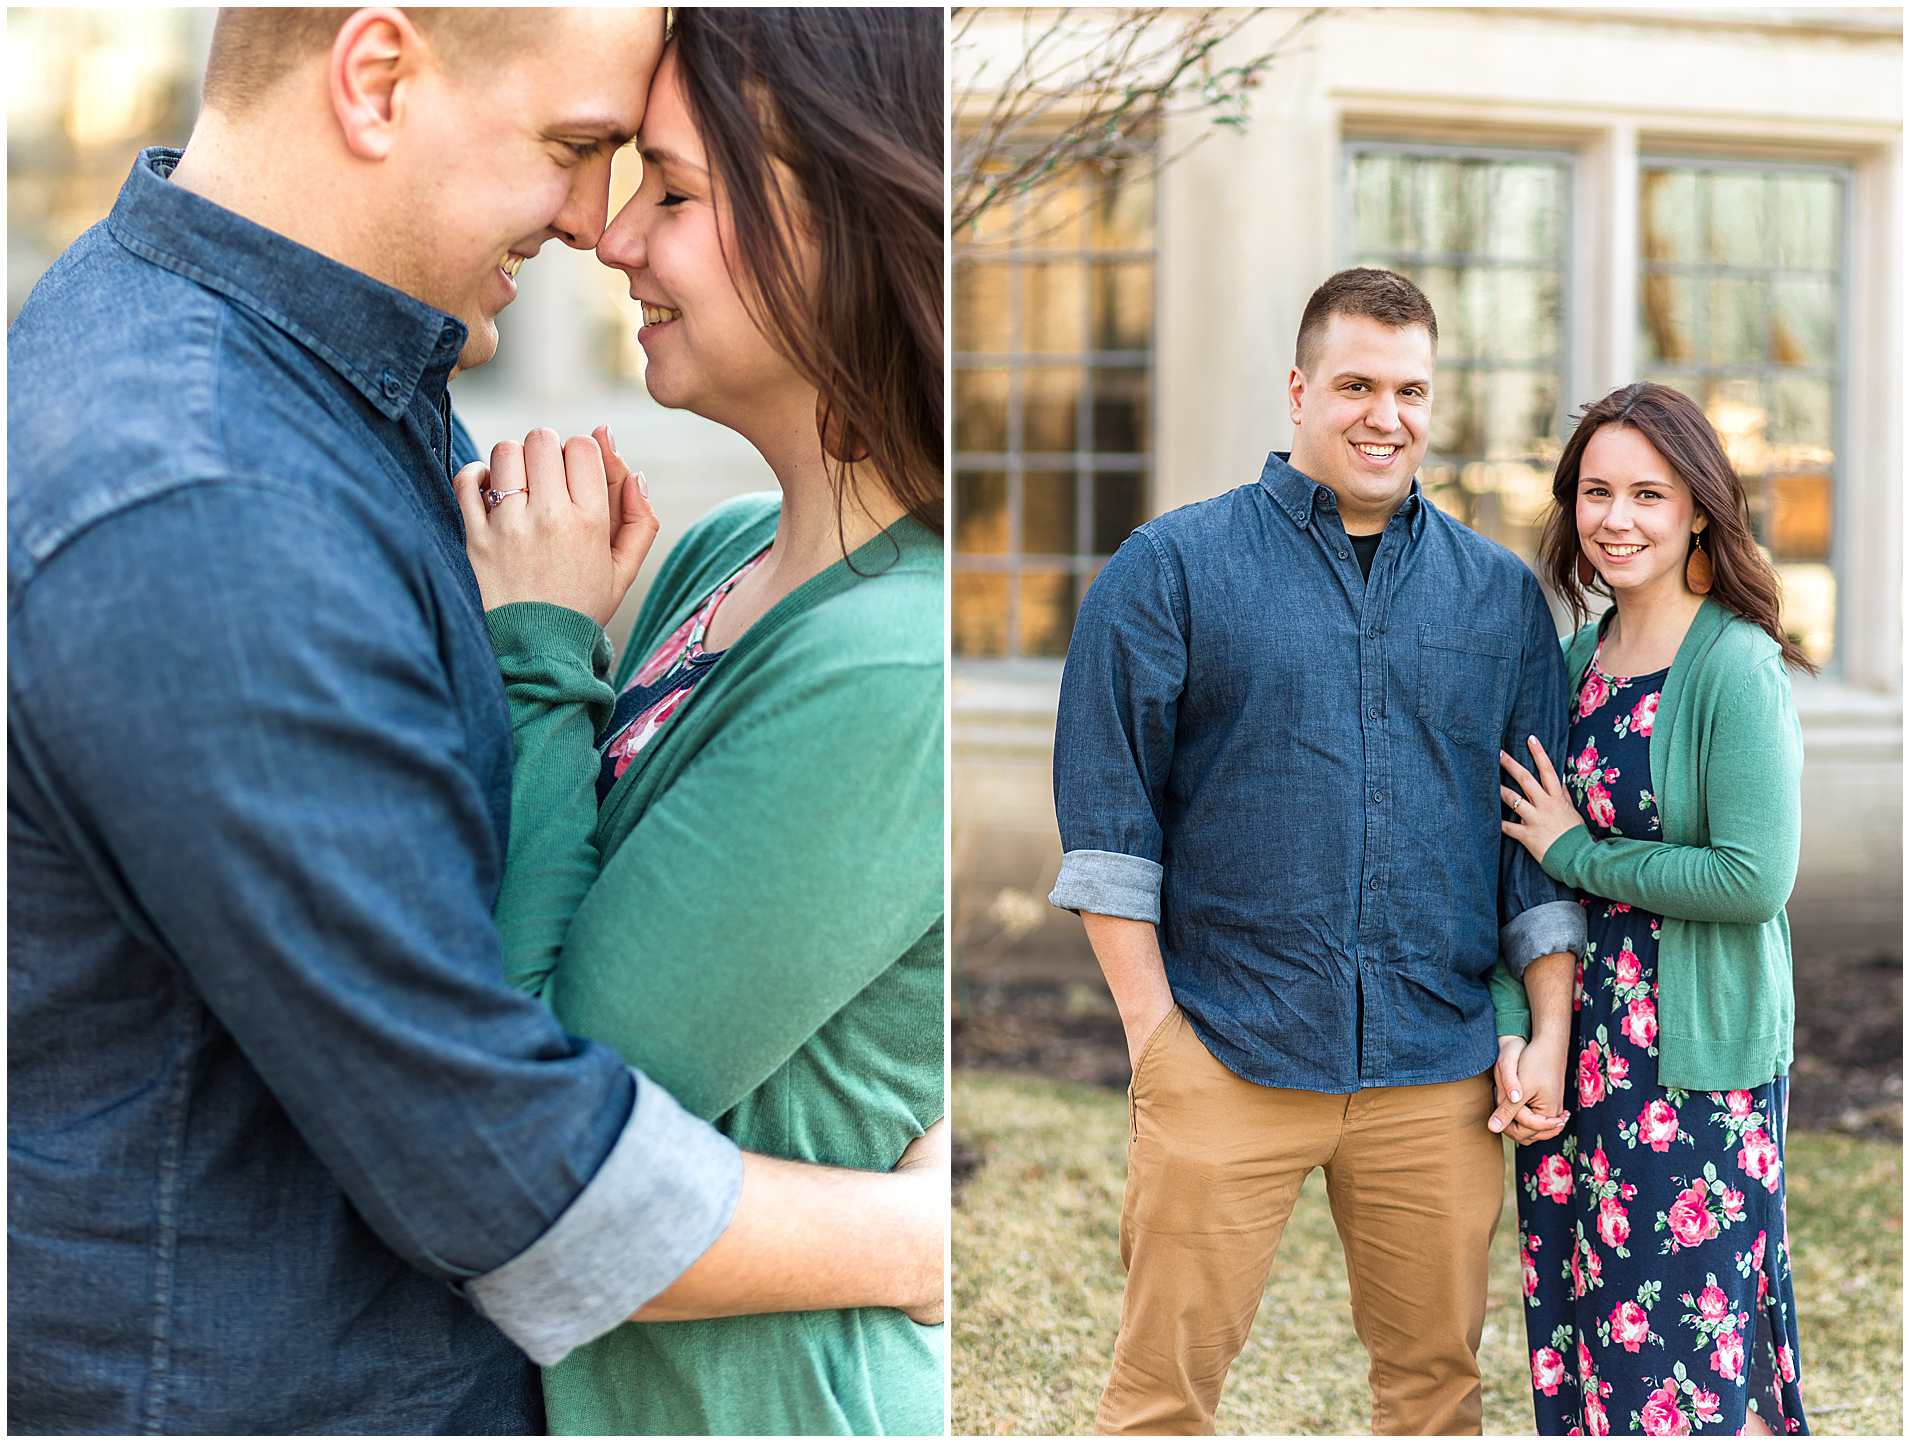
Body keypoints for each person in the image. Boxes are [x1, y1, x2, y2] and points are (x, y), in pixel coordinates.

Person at [5, 9, 939, 1434]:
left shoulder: (323, 390)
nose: (596, 225)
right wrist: (910, 1237)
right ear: (375, 80)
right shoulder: (206, 503)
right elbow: (496, 1153)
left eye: (649, 181)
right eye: (577, 152)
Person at [455, 10, 944, 1433]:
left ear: (842, 219)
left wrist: (541, 650)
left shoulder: (888, 658)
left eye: (670, 191)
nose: (611, 239)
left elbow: (540, 1131)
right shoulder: (716, 553)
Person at [1049, 266, 1584, 1436]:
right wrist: (1156, 1039)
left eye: (1408, 391)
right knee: (1159, 1402)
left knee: (1436, 1396)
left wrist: (1544, 1031)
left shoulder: (1498, 602)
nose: (1381, 416)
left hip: (1433, 1072)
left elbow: (1531, 861)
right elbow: (1106, 819)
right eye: (1353, 384)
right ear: (1298, 391)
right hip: (1225, 1051)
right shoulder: (1171, 569)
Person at [1493, 382, 1810, 1437]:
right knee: (1586, 1346)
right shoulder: (1579, 661)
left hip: (1692, 1076)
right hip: (1579, 1062)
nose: (1614, 520)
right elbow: (1523, 867)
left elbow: (1750, 877)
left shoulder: (1733, 666)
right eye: (1594, 493)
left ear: (1696, 510)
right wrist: (1522, 1034)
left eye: (1646, 494)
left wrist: (1580, 850)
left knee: (1681, 1372)